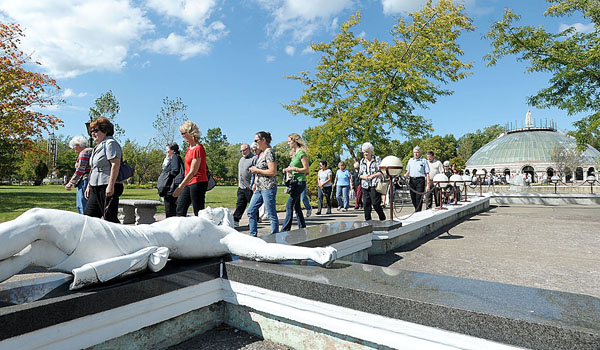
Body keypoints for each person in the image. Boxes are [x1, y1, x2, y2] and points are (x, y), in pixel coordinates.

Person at [0, 207, 337, 290]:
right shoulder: (204, 223)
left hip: (123, 240)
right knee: (36, 252)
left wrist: (310, 254)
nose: (211, 209)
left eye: (216, 212)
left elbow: (261, 250)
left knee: (38, 219)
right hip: (127, 237)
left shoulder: (222, 237)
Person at [84, 117, 124, 223]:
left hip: (107, 185)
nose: (93, 133)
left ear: (105, 130)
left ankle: (122, 239)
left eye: (96, 130)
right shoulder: (98, 147)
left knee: (109, 219)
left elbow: (116, 164)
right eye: (91, 131)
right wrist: (89, 186)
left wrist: (111, 185)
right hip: (95, 186)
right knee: (89, 217)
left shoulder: (110, 143)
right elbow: (94, 168)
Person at [247, 131, 279, 237]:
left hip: (268, 187)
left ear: (263, 140)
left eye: (256, 140)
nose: (255, 143)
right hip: (259, 188)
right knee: (251, 211)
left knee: (270, 213)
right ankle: (253, 235)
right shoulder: (261, 153)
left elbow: (272, 172)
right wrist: (256, 182)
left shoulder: (269, 152)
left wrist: (257, 170)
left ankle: (275, 235)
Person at [173, 121, 208, 216]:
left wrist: (180, 187)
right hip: (189, 182)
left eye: (184, 133)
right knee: (180, 207)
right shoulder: (190, 147)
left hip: (198, 182)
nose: (182, 136)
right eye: (181, 134)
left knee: (198, 211)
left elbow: (193, 171)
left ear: (191, 133)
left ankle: (202, 230)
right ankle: (181, 230)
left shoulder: (198, 148)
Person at [281, 133, 310, 232]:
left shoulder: (301, 153)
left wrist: (294, 169)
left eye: (289, 141)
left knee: (289, 205)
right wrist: (289, 171)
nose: (288, 143)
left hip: (300, 182)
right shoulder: (294, 154)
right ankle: (302, 228)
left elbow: (306, 170)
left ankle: (285, 230)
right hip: (294, 181)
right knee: (297, 206)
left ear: (295, 141)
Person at [359, 142, 386, 221]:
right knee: (366, 204)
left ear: (371, 151)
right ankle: (368, 222)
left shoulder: (377, 160)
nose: (365, 153)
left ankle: (382, 219)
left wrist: (372, 176)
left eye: (367, 151)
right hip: (365, 185)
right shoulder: (362, 161)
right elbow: (359, 174)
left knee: (375, 204)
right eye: (364, 152)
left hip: (374, 184)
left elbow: (381, 172)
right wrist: (365, 177)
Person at [65, 135, 92, 214]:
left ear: (78, 145)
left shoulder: (84, 153)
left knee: (82, 205)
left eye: (74, 148)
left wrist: (70, 183)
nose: (74, 151)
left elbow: (80, 170)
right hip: (91, 180)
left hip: (84, 180)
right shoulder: (92, 150)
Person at [233, 143, 256, 227]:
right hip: (241, 186)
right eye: (241, 151)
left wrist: (254, 184)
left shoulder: (254, 159)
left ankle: (255, 220)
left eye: (244, 150)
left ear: (249, 149)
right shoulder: (241, 159)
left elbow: (257, 173)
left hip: (250, 187)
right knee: (240, 203)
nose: (243, 152)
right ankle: (235, 220)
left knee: (253, 204)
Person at [160, 142, 184, 218]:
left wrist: (165, 175)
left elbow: (175, 170)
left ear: (172, 150)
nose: (166, 151)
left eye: (167, 150)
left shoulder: (174, 157)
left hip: (172, 186)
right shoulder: (175, 157)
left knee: (170, 208)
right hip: (173, 186)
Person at [403, 146, 430, 212]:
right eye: (414, 152)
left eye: (417, 152)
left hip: (420, 180)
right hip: (412, 180)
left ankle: (418, 212)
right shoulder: (410, 160)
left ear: (420, 153)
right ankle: (417, 210)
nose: (416, 154)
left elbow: (427, 173)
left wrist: (428, 185)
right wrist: (404, 177)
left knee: (418, 197)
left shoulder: (424, 161)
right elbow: (408, 172)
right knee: (413, 198)